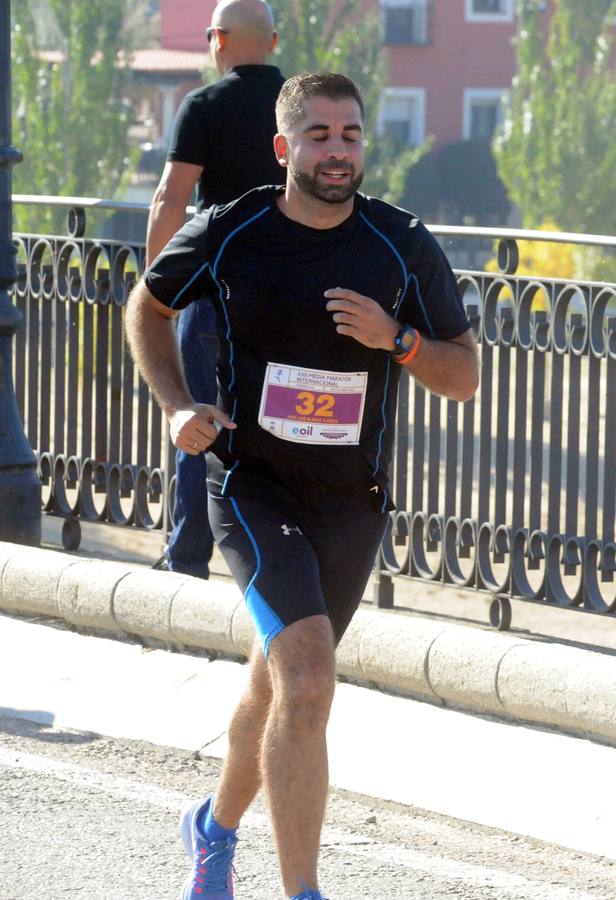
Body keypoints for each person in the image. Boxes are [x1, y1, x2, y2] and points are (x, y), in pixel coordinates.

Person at [125, 72, 478, 900]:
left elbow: (463, 375)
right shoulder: (231, 228)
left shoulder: (400, 244)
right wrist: (178, 406)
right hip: (252, 487)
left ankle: (211, 829)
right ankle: (302, 890)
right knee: (311, 677)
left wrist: (399, 342)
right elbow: (147, 308)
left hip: (350, 503)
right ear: (285, 148)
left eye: (350, 135)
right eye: (318, 136)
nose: (337, 151)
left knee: (279, 680)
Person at [147, 0, 286, 579]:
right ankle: (276, 558)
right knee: (284, 425)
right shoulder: (301, 105)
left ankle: (187, 560)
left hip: (215, 290)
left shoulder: (203, 105)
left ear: (218, 40)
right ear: (273, 43)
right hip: (291, 287)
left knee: (199, 418)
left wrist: (157, 293)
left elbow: (170, 199)